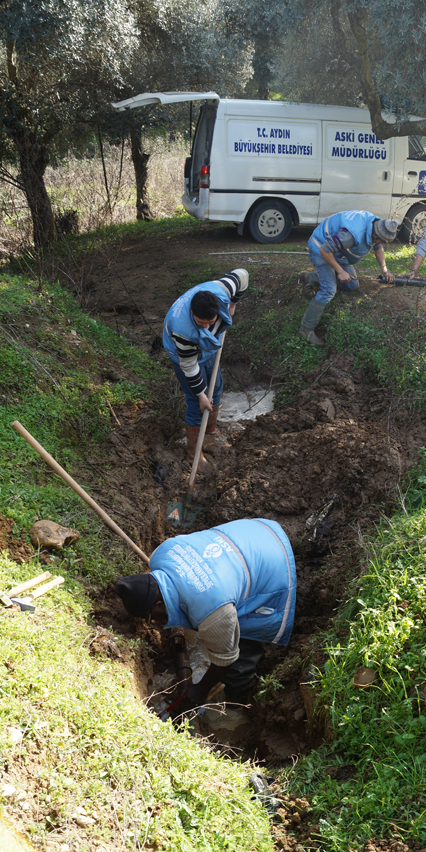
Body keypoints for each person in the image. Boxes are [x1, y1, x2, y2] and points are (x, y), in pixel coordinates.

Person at [116, 518, 296, 711]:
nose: (155, 624)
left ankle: (240, 701)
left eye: (151, 618)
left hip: (275, 563)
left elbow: (226, 657)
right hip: (253, 531)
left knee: (244, 646)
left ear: (159, 605)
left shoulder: (212, 611)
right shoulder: (161, 553)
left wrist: (200, 689)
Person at [163, 269, 248, 471]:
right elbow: (190, 366)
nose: (207, 326)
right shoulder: (183, 331)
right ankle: (193, 455)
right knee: (196, 402)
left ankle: (210, 431)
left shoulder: (220, 291)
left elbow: (242, 275)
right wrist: (201, 394)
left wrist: (233, 303)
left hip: (206, 351)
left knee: (216, 387)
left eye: (211, 322)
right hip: (185, 357)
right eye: (202, 323)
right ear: (192, 312)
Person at [299, 210, 398, 346]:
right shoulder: (350, 235)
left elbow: (378, 246)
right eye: (381, 241)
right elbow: (324, 250)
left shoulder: (377, 225)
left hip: (338, 251)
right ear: (375, 235)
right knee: (329, 290)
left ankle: (311, 278)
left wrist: (384, 269)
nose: (382, 244)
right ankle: (306, 329)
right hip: (321, 246)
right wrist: (340, 271)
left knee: (352, 285)